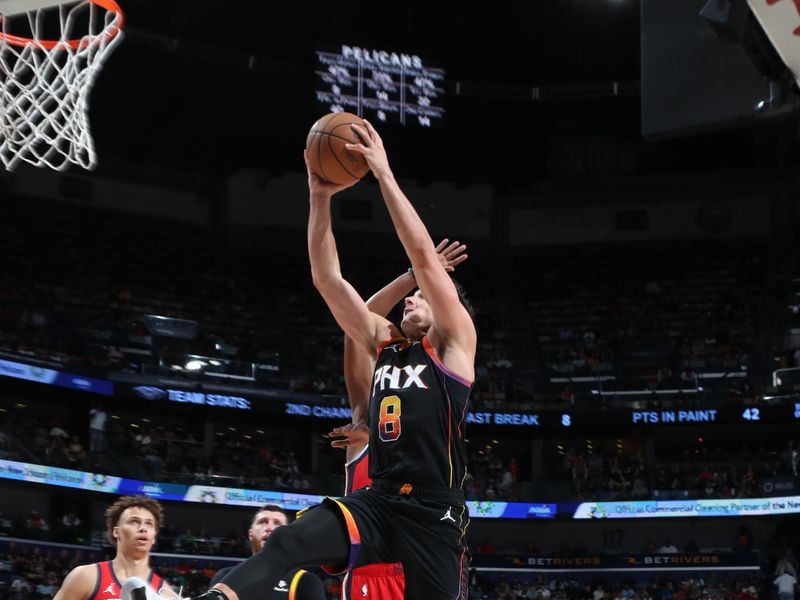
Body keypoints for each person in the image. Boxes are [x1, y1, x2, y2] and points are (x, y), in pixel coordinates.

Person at [191, 119, 476, 600]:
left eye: (421, 298)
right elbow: (327, 279)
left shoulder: (453, 346)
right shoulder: (384, 345)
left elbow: (426, 260)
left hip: (435, 512)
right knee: (285, 541)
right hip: (380, 500)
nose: (410, 301)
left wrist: (383, 174)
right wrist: (319, 197)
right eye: (410, 298)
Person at [329, 238, 467, 599]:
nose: (411, 301)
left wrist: (425, 274)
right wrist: (411, 275)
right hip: (368, 571)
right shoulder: (369, 408)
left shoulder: (438, 394)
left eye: (423, 298)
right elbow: (358, 318)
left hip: (421, 556)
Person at [53, 496, 171, 600]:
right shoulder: (86, 576)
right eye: (134, 521)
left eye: (149, 524)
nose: (142, 528)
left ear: (154, 537)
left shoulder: (165, 592)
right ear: (116, 532)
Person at [209, 505, 324, 600]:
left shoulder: (305, 581)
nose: (270, 528)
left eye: (277, 523)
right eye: (263, 522)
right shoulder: (224, 576)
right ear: (250, 533)